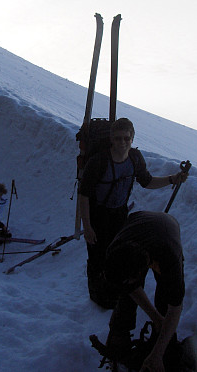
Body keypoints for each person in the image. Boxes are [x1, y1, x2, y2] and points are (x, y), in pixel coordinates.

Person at [78, 117, 187, 307]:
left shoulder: (135, 159)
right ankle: (99, 297)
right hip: (98, 215)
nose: (122, 142)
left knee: (117, 256)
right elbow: (84, 195)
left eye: (126, 139)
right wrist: (87, 226)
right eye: (118, 138)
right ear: (111, 138)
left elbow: (147, 181)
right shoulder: (98, 161)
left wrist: (172, 179)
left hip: (119, 214)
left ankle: (115, 293)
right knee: (97, 257)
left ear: (132, 138)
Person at [104, 210, 185, 372]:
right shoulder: (115, 254)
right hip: (138, 222)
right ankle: (118, 339)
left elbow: (175, 308)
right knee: (126, 299)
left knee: (164, 300)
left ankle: (163, 349)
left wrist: (157, 354)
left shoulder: (169, 258)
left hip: (167, 227)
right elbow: (130, 288)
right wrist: (154, 318)